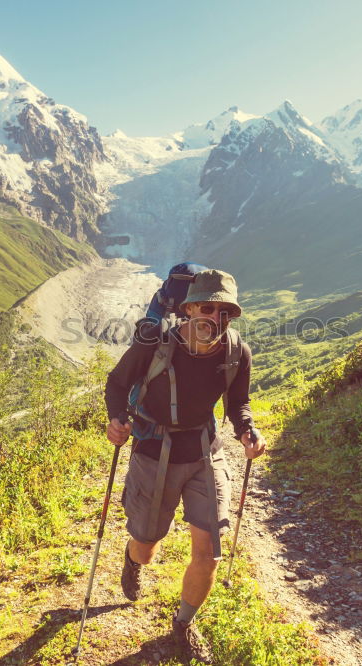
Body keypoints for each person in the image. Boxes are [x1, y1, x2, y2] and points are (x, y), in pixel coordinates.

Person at [104, 269, 265, 664]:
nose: (216, 318)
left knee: (209, 551)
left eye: (225, 311)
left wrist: (247, 430)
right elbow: (116, 382)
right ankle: (132, 558)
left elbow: (238, 403)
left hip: (204, 452)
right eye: (208, 308)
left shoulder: (236, 352)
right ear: (190, 308)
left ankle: (183, 626)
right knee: (146, 547)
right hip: (152, 448)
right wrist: (117, 417)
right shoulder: (154, 343)